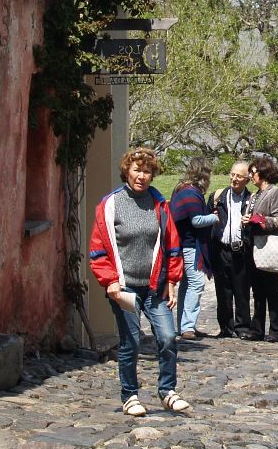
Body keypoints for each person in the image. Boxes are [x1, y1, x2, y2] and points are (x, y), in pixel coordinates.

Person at [89, 146, 190, 416]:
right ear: (127, 171)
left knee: (168, 337)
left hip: (155, 286)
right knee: (131, 341)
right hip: (124, 287)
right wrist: (109, 282)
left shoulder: (160, 205)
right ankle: (130, 395)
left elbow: (172, 245)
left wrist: (172, 280)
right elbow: (98, 249)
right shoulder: (110, 205)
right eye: (137, 170)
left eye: (147, 171)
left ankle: (167, 390)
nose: (142, 176)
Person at [169, 157, 216, 340]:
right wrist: (215, 217)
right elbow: (196, 221)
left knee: (187, 285)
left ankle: (184, 325)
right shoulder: (191, 193)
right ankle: (187, 326)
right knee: (196, 284)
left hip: (183, 245)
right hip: (190, 246)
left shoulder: (181, 189)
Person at [244, 155, 278, 343]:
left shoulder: (275, 192)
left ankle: (276, 329)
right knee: (257, 290)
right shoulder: (254, 195)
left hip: (268, 246)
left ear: (262, 172)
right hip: (252, 245)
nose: (251, 176)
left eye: (253, 172)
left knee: (271, 289)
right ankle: (257, 328)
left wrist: (260, 220)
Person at [210, 161, 255, 339]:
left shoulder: (252, 199)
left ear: (247, 180)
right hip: (221, 249)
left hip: (241, 251)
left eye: (239, 176)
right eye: (232, 175)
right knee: (222, 291)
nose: (234, 179)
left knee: (242, 290)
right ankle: (226, 327)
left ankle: (243, 326)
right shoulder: (218, 196)